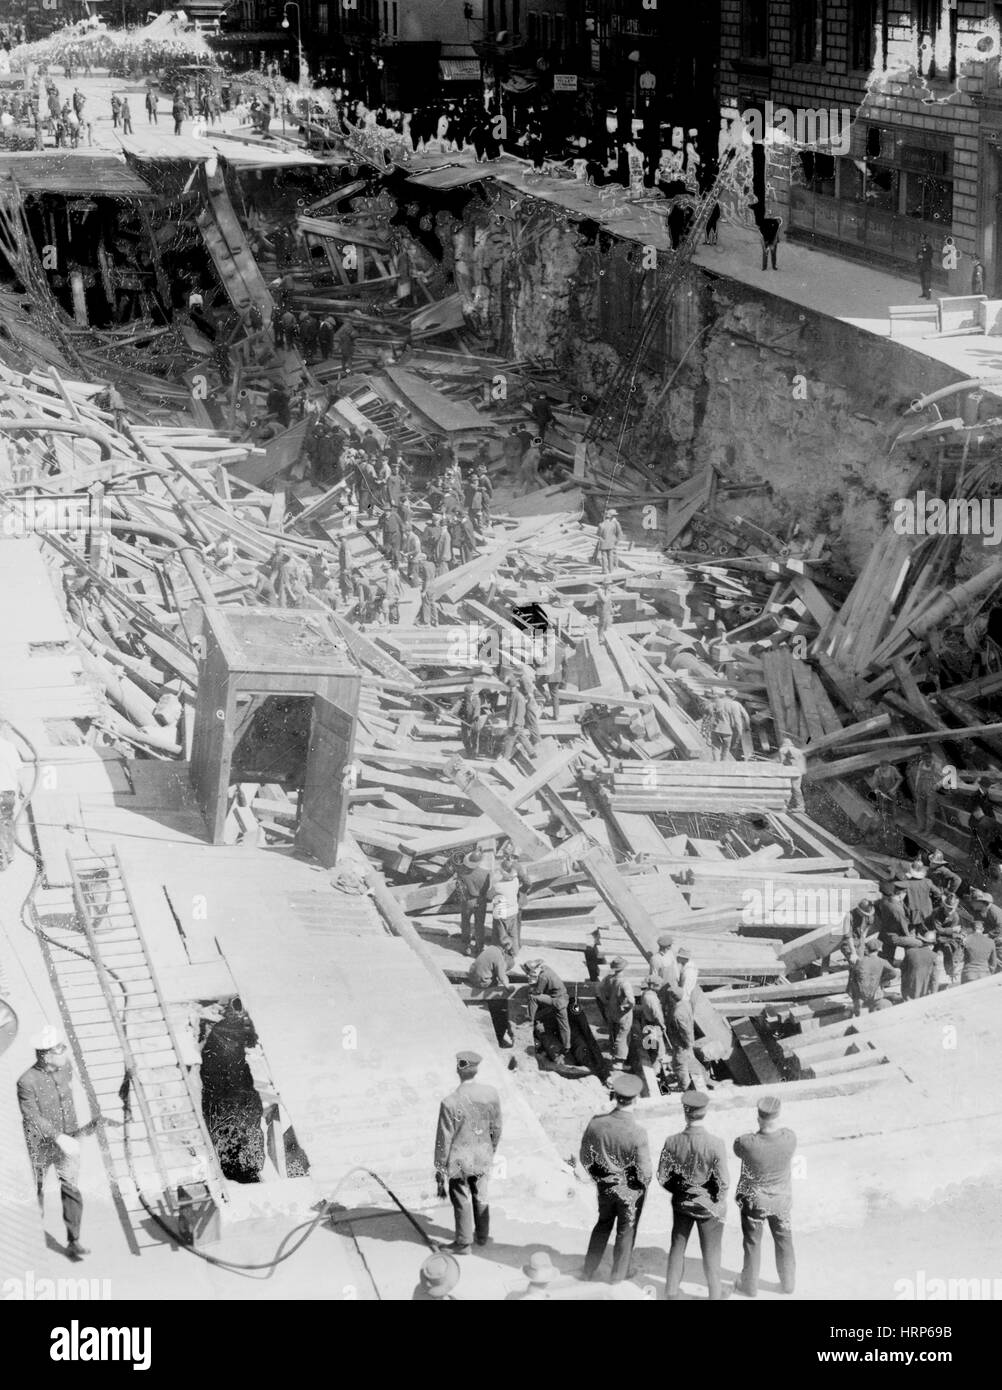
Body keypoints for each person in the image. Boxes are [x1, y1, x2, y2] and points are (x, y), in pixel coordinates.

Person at [18, 1027, 98, 1261]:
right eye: (59, 1049)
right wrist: (58, 1136)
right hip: (41, 1144)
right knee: (37, 1190)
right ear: (45, 1055)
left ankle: (74, 1241)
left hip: (68, 1138)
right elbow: (31, 1115)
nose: (64, 1051)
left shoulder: (66, 1067)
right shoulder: (26, 1081)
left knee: (71, 1188)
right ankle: (32, 1241)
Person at [578, 1072, 652, 1283]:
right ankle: (618, 1277)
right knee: (625, 1232)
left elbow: (585, 1157)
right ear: (635, 1099)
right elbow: (645, 1172)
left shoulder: (596, 1123)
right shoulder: (638, 1132)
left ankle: (588, 1270)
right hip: (629, 1192)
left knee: (602, 1225)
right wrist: (637, 1187)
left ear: (615, 1096)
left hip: (605, 1187)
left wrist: (601, 1178)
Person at [658, 1091, 729, 1300]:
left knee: (677, 1246)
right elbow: (724, 1182)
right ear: (705, 1112)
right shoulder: (716, 1143)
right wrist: (715, 1199)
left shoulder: (672, 1141)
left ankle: (671, 1292)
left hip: (682, 1205)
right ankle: (715, 1295)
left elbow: (662, 1177)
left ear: (685, 1112)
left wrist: (683, 1192)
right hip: (708, 1208)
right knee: (712, 1252)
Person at [433, 1050, 502, 1255]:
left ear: (458, 1070)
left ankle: (463, 1243)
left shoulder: (450, 1102)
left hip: (459, 1159)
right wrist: (491, 1148)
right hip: (483, 1153)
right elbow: (496, 1127)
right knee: (481, 1194)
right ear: (476, 1069)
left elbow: (443, 1139)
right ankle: (482, 1235)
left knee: (461, 1198)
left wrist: (440, 1167)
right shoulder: (491, 1094)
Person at [733, 1095, 796, 1298]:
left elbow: (737, 1148)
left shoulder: (747, 1142)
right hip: (781, 1202)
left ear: (758, 1118)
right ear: (778, 1117)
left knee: (752, 1243)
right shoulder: (790, 1138)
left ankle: (749, 1287)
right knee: (784, 1241)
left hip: (754, 1202)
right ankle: (788, 1285)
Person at [524, 958, 571, 1058]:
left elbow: (538, 992)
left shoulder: (543, 977)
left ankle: (530, 1020)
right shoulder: (546, 969)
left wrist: (531, 985)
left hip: (557, 1001)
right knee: (564, 1025)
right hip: (563, 997)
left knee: (532, 997)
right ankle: (567, 1046)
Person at [596, 956, 634, 1067]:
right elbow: (631, 1000)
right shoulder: (624, 983)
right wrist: (626, 1008)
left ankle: (613, 1053)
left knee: (613, 1033)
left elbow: (598, 989)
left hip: (611, 1011)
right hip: (622, 1015)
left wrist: (604, 1001)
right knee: (622, 1035)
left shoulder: (608, 978)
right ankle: (619, 1061)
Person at [848, 936, 898, 1015]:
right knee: (885, 1006)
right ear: (879, 950)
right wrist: (882, 979)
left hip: (860, 997)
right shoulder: (882, 961)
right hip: (876, 996)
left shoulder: (859, 961)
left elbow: (852, 978)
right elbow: (894, 973)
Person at [456, 849, 491, 957]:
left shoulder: (462, 874)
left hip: (468, 901)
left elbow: (459, 890)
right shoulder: (486, 873)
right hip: (481, 901)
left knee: (465, 923)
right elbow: (486, 889)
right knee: (479, 925)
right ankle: (479, 947)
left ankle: (466, 947)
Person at [0, 719, 24, 870]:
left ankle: (2, 857)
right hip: (8, 793)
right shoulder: (9, 747)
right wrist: (22, 789)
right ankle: (9, 854)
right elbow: (18, 771)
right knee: (7, 821)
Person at [898, 926, 939, 1001]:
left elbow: (903, 972)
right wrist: (934, 995)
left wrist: (904, 992)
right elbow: (934, 979)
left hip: (908, 993)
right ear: (932, 945)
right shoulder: (934, 956)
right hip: (924, 993)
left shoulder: (910, 952)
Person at [960, 916, 998, 982]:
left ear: (971, 929)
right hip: (985, 975)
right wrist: (989, 973)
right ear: (982, 929)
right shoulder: (991, 942)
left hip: (969, 974)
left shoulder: (965, 940)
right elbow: (993, 963)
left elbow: (958, 958)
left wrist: (953, 972)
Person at [910, 749, 940, 833]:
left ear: (931, 758)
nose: (927, 761)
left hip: (931, 791)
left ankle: (928, 830)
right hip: (921, 790)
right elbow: (919, 776)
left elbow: (943, 778)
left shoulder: (936, 766)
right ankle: (920, 827)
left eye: (928, 759)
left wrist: (936, 786)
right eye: (925, 759)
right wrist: (916, 788)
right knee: (919, 810)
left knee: (929, 813)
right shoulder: (921, 764)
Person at [719, 688, 751, 760]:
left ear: (725, 694)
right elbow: (746, 716)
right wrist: (747, 727)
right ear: (734, 697)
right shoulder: (737, 704)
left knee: (720, 746)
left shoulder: (718, 703)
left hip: (720, 728)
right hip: (735, 729)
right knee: (732, 747)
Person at [778, 736, 807, 811]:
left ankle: (784, 805)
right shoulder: (799, 751)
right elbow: (801, 762)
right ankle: (801, 806)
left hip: (790, 771)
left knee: (787, 788)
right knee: (796, 788)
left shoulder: (784, 749)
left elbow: (782, 761)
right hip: (798, 771)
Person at [595, 509, 623, 574]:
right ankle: (611, 570)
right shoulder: (614, 524)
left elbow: (598, 534)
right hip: (611, 543)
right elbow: (617, 533)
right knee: (610, 557)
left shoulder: (601, 525)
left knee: (604, 557)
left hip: (603, 543)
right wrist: (615, 541)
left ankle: (605, 570)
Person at [916, 235, 934, 300]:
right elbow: (916, 254)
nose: (921, 240)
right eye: (920, 239)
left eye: (923, 239)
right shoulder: (919, 246)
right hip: (921, 266)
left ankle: (928, 295)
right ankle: (924, 293)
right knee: (922, 281)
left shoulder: (929, 246)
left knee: (927, 282)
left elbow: (930, 255)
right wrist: (918, 257)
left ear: (925, 239)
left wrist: (923, 257)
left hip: (927, 267)